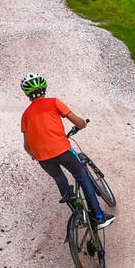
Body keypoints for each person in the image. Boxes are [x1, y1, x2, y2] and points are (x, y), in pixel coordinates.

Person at [19, 74, 114, 229]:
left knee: (59, 179)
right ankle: (98, 217)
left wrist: (36, 156)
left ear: (27, 94)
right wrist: (82, 124)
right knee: (82, 177)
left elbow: (27, 146)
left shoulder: (26, 115)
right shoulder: (54, 102)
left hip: (44, 159)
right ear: (44, 89)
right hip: (63, 151)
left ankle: (78, 213)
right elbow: (77, 121)